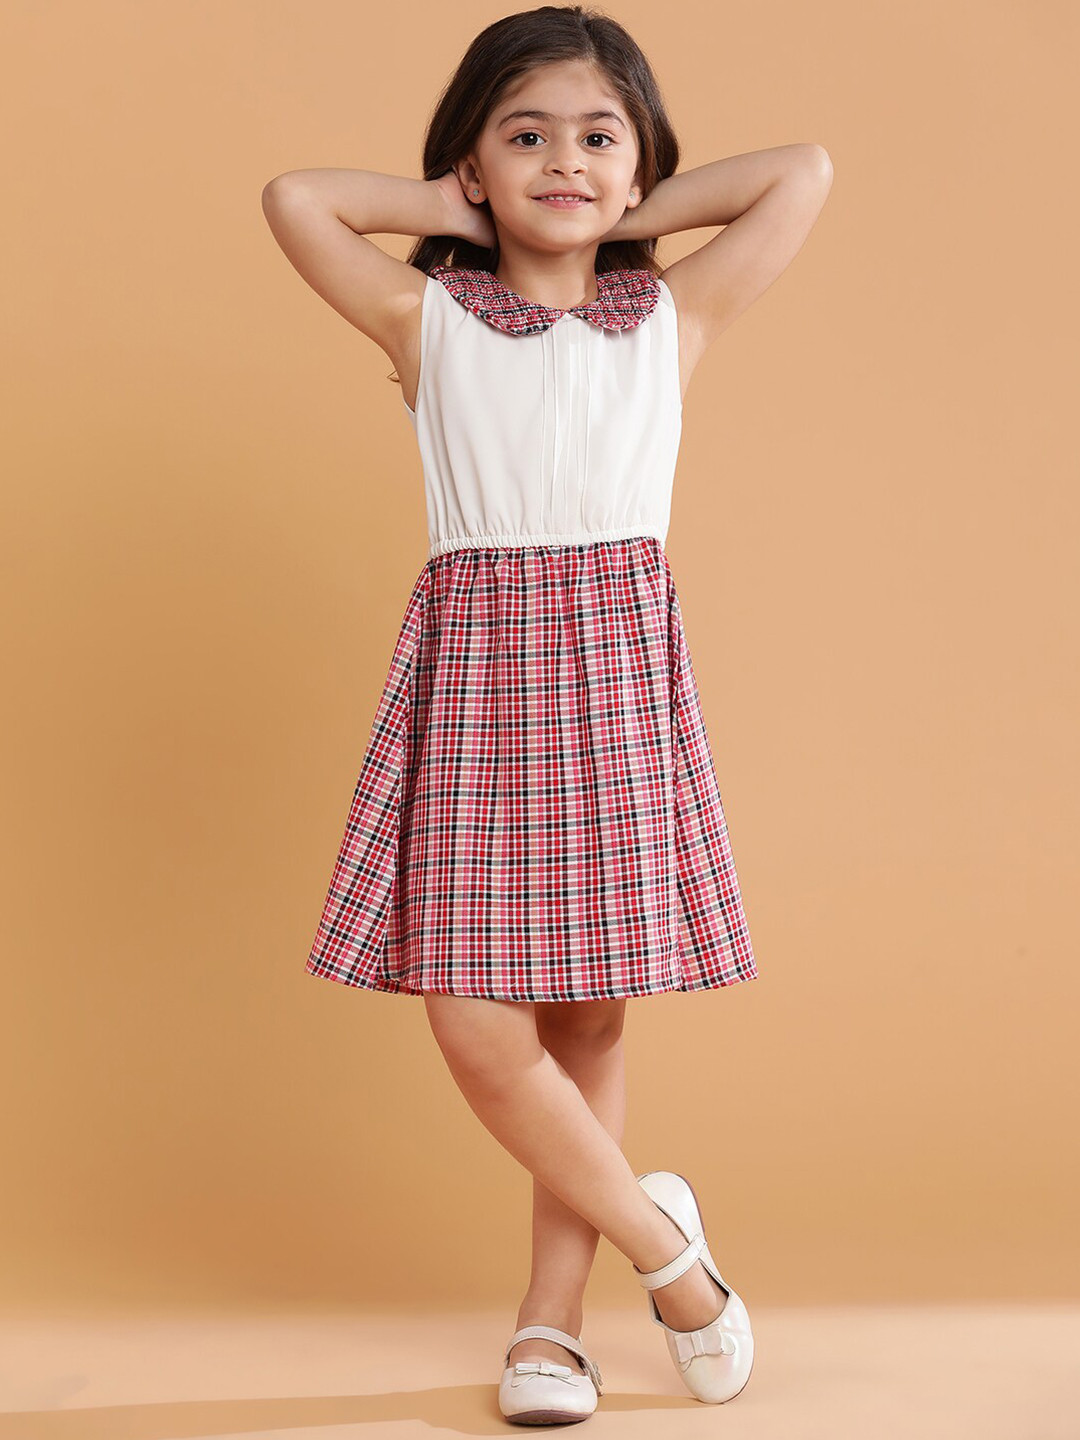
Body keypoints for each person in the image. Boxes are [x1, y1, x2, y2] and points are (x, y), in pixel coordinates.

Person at [262, 3, 831, 1423]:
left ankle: (550, 1329)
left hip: (618, 674)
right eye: (525, 137)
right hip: (479, 673)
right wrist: (463, 201)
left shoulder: (672, 318)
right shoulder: (428, 318)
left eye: (597, 137)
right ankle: (672, 1256)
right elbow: (299, 199)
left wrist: (623, 202)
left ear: (639, 167)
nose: (564, 161)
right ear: (473, 164)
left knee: (584, 1016)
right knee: (476, 1018)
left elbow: (802, 172)